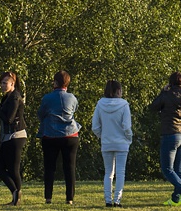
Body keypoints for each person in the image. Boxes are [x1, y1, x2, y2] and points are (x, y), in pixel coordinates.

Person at [150, 72, 181, 206]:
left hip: (170, 134)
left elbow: (153, 107)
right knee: (179, 170)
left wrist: (162, 91)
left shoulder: (166, 95)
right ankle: (176, 199)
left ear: (170, 83)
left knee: (167, 169)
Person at [37, 70, 81, 205]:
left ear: (55, 82)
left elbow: (41, 114)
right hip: (70, 135)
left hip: (51, 135)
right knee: (70, 167)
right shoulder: (72, 97)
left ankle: (48, 197)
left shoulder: (47, 98)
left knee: (50, 167)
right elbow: (75, 110)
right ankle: (70, 198)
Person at [91, 80, 133, 208]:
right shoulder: (124, 105)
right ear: (118, 91)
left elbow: (95, 126)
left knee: (108, 172)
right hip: (121, 143)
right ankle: (117, 200)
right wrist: (128, 138)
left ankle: (108, 200)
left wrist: (102, 136)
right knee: (120, 172)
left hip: (106, 142)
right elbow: (126, 126)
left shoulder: (100, 104)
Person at [0, 71, 27, 206]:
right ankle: (15, 192)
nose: (2, 85)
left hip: (16, 135)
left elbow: (9, 119)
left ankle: (16, 197)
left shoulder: (14, 97)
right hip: (8, 136)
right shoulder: (7, 97)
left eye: (5, 83)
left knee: (13, 168)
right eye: (1, 82)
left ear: (13, 83)